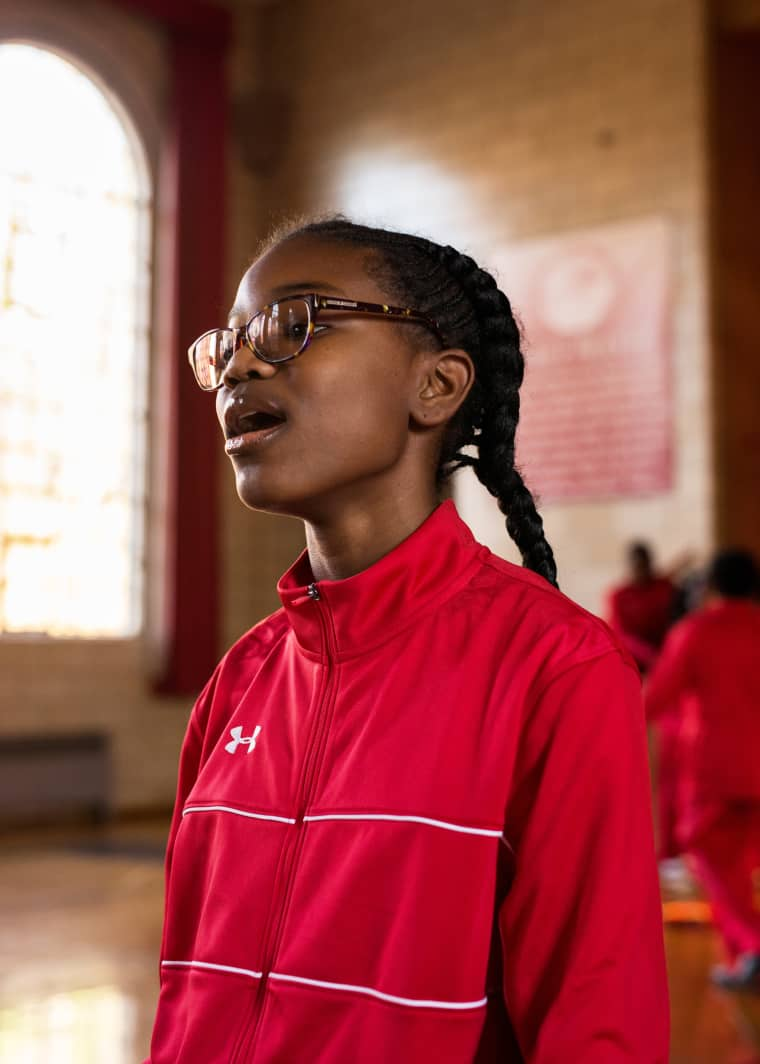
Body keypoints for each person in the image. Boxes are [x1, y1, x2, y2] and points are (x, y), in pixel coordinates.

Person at [145, 217, 669, 1063]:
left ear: (438, 385)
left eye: (295, 323)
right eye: (232, 342)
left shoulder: (556, 670)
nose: (241, 363)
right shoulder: (240, 681)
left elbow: (597, 1028)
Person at [645, 548, 760, 990]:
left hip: (715, 770)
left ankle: (751, 945)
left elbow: (655, 701)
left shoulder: (696, 633)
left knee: (710, 857)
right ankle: (741, 959)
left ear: (710, 587)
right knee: (742, 865)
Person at [608, 542, 680, 862]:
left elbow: (677, 625)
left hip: (670, 685)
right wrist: (659, 660)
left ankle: (669, 846)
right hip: (639, 681)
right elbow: (621, 635)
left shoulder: (666, 591)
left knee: (669, 769)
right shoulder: (620, 596)